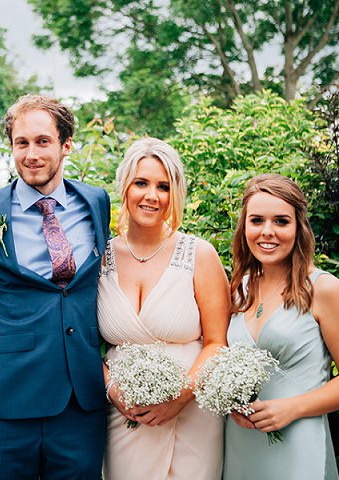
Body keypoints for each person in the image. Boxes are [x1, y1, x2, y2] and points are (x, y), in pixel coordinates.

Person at [0, 94, 111, 479]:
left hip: (80, 402)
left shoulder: (96, 201)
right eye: (21, 143)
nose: (31, 154)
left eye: (43, 141)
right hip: (5, 401)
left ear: (66, 145)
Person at [224, 174, 339, 479]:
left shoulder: (324, 289)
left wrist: (293, 408)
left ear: (298, 227)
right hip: (240, 442)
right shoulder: (238, 289)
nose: (267, 232)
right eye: (257, 221)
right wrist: (228, 403)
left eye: (281, 221)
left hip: (297, 443)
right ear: (244, 228)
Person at [99, 137, 229, 479]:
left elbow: (218, 341)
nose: (151, 196)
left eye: (163, 186)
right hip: (126, 412)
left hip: (193, 412)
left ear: (175, 194)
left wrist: (183, 394)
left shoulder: (199, 254)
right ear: (125, 187)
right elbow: (80, 341)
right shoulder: (99, 258)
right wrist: (113, 390)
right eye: (141, 183)